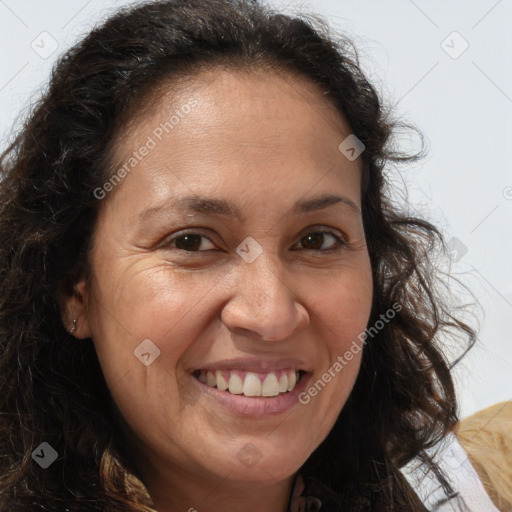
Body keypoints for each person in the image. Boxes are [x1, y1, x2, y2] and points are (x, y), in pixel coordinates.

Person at [0, 0, 484, 510]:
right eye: (191, 241)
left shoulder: (482, 487)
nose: (270, 314)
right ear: (74, 287)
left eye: (317, 239)